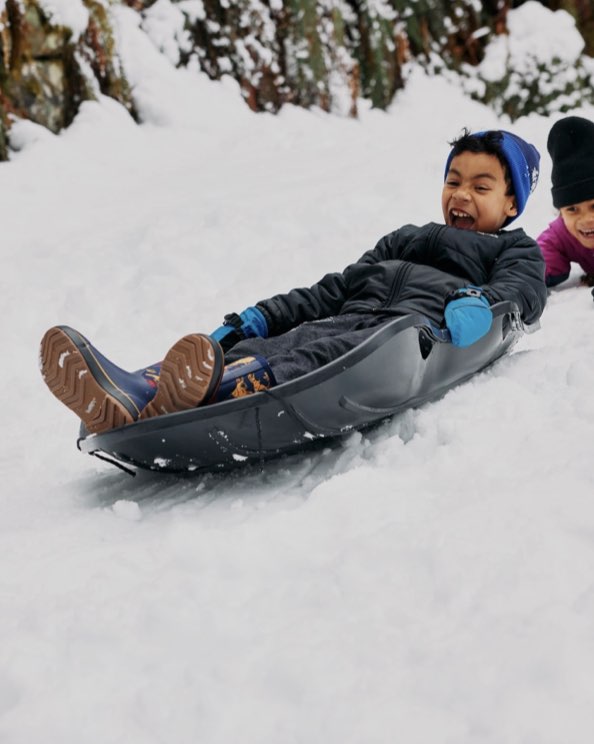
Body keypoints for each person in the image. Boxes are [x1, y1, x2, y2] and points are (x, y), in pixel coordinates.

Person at [40, 128, 547, 435]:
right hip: (352, 319)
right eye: (453, 181)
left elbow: (525, 292)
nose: (461, 194)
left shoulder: (511, 248)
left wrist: (478, 301)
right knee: (272, 343)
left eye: (481, 186)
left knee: (314, 359)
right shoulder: (404, 238)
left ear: (510, 204)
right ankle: (137, 390)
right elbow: (333, 289)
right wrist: (258, 316)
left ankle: (204, 392)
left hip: (401, 338)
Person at [537, 116, 594, 290]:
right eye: (572, 209)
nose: (587, 219)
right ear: (561, 212)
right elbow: (538, 257)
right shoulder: (563, 234)